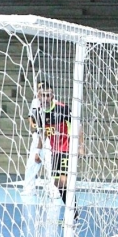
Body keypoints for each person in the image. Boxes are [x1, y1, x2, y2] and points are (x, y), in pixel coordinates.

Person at [29, 81, 83, 214]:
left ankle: (72, 214)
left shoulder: (62, 108)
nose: (46, 98)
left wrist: (81, 146)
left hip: (67, 149)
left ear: (52, 96)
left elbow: (78, 126)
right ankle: (74, 210)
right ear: (38, 97)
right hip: (55, 152)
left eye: (48, 95)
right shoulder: (39, 113)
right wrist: (38, 152)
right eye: (43, 95)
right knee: (57, 184)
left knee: (64, 181)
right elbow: (43, 134)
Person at [21, 83, 50, 196]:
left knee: (49, 163)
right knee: (32, 162)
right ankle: (29, 188)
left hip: (50, 137)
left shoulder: (52, 104)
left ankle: (53, 189)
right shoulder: (34, 102)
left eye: (41, 89)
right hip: (37, 135)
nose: (39, 91)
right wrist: (32, 124)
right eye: (38, 89)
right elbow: (30, 115)